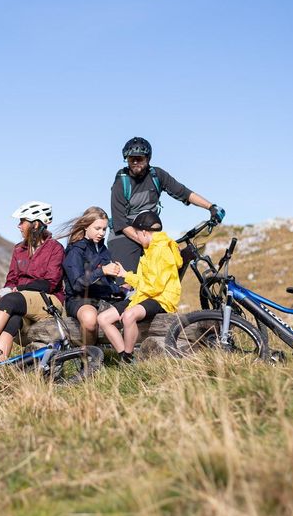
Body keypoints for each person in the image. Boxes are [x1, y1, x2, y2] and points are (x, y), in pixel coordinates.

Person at [0, 200, 65, 370]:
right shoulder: (18, 249)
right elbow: (12, 279)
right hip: (22, 303)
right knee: (12, 317)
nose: (19, 226)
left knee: (11, 300)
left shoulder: (55, 248)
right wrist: (7, 288)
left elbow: (50, 283)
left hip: (49, 302)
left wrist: (19, 290)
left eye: (23, 221)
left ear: (36, 224)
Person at [109, 136, 226, 273]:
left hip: (150, 234)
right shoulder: (121, 181)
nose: (135, 162)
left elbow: (184, 192)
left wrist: (211, 207)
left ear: (148, 158)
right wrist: (149, 242)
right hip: (124, 236)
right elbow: (121, 223)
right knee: (127, 284)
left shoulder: (157, 175)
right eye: (131, 159)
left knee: (172, 267)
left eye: (139, 158)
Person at [97, 211, 182, 363]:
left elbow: (155, 287)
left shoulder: (162, 249)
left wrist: (132, 305)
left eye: (137, 234)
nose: (136, 238)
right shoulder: (150, 249)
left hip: (161, 299)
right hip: (144, 295)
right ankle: (124, 355)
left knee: (129, 316)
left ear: (143, 232)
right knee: (103, 318)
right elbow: (146, 280)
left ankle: (127, 359)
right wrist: (125, 274)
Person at [59, 206, 125, 345]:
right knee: (90, 319)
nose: (101, 233)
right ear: (85, 226)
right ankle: (89, 358)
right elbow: (77, 284)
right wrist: (102, 271)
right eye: (97, 228)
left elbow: (106, 283)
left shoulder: (103, 250)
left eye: (104, 229)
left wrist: (121, 290)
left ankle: (126, 355)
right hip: (79, 300)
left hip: (102, 298)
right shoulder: (75, 251)